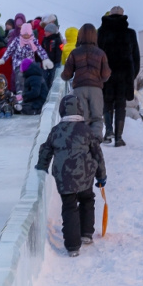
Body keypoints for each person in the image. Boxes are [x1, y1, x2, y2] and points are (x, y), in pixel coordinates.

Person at [35, 95, 107, 257]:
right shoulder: (86, 131)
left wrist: (42, 166)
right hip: (85, 174)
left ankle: (73, 246)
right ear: (80, 110)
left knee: (69, 207)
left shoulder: (56, 131)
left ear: (62, 110)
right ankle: (86, 233)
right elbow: (97, 154)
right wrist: (101, 176)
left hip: (64, 175)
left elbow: (46, 149)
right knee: (87, 199)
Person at [98, 6, 140, 147]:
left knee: (107, 103)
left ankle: (108, 131)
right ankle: (118, 138)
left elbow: (97, 54)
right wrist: (132, 75)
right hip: (124, 75)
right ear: (123, 16)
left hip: (106, 74)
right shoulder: (130, 33)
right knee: (121, 105)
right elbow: (136, 58)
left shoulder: (102, 32)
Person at [60, 23, 111, 139]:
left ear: (80, 36)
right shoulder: (100, 53)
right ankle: (96, 141)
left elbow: (67, 74)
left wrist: (63, 76)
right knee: (97, 117)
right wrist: (99, 79)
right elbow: (106, 75)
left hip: (79, 88)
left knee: (83, 117)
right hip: (96, 89)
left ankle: (83, 142)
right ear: (95, 36)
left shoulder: (75, 52)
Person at [0, 23, 53, 98]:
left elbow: (40, 50)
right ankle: (20, 94)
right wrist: (3, 59)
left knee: (33, 77)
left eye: (27, 34)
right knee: (20, 76)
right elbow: (9, 50)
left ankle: (34, 94)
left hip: (30, 63)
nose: (26, 36)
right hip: (19, 63)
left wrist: (45, 59)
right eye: (24, 34)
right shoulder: (17, 40)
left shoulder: (33, 40)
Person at [41, 23, 62, 88]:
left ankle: (50, 92)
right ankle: (45, 93)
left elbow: (59, 52)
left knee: (52, 79)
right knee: (44, 79)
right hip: (46, 63)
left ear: (51, 32)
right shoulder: (44, 40)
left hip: (54, 64)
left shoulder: (57, 40)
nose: (44, 33)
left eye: (46, 31)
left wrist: (57, 62)